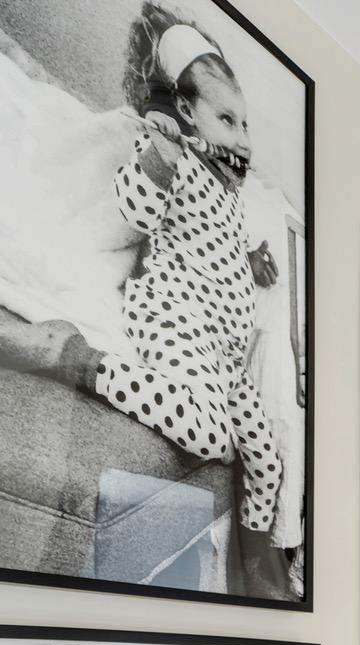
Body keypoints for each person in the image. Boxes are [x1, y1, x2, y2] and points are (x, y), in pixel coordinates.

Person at [0, 5, 284, 535]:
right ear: (184, 108)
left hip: (226, 351)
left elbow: (220, 240)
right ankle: (75, 356)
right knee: (209, 436)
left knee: (266, 460)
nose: (243, 138)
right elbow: (137, 206)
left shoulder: (228, 189)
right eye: (227, 120)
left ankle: (256, 555)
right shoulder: (172, 155)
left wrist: (250, 260)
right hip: (176, 315)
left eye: (244, 123)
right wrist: (161, 152)